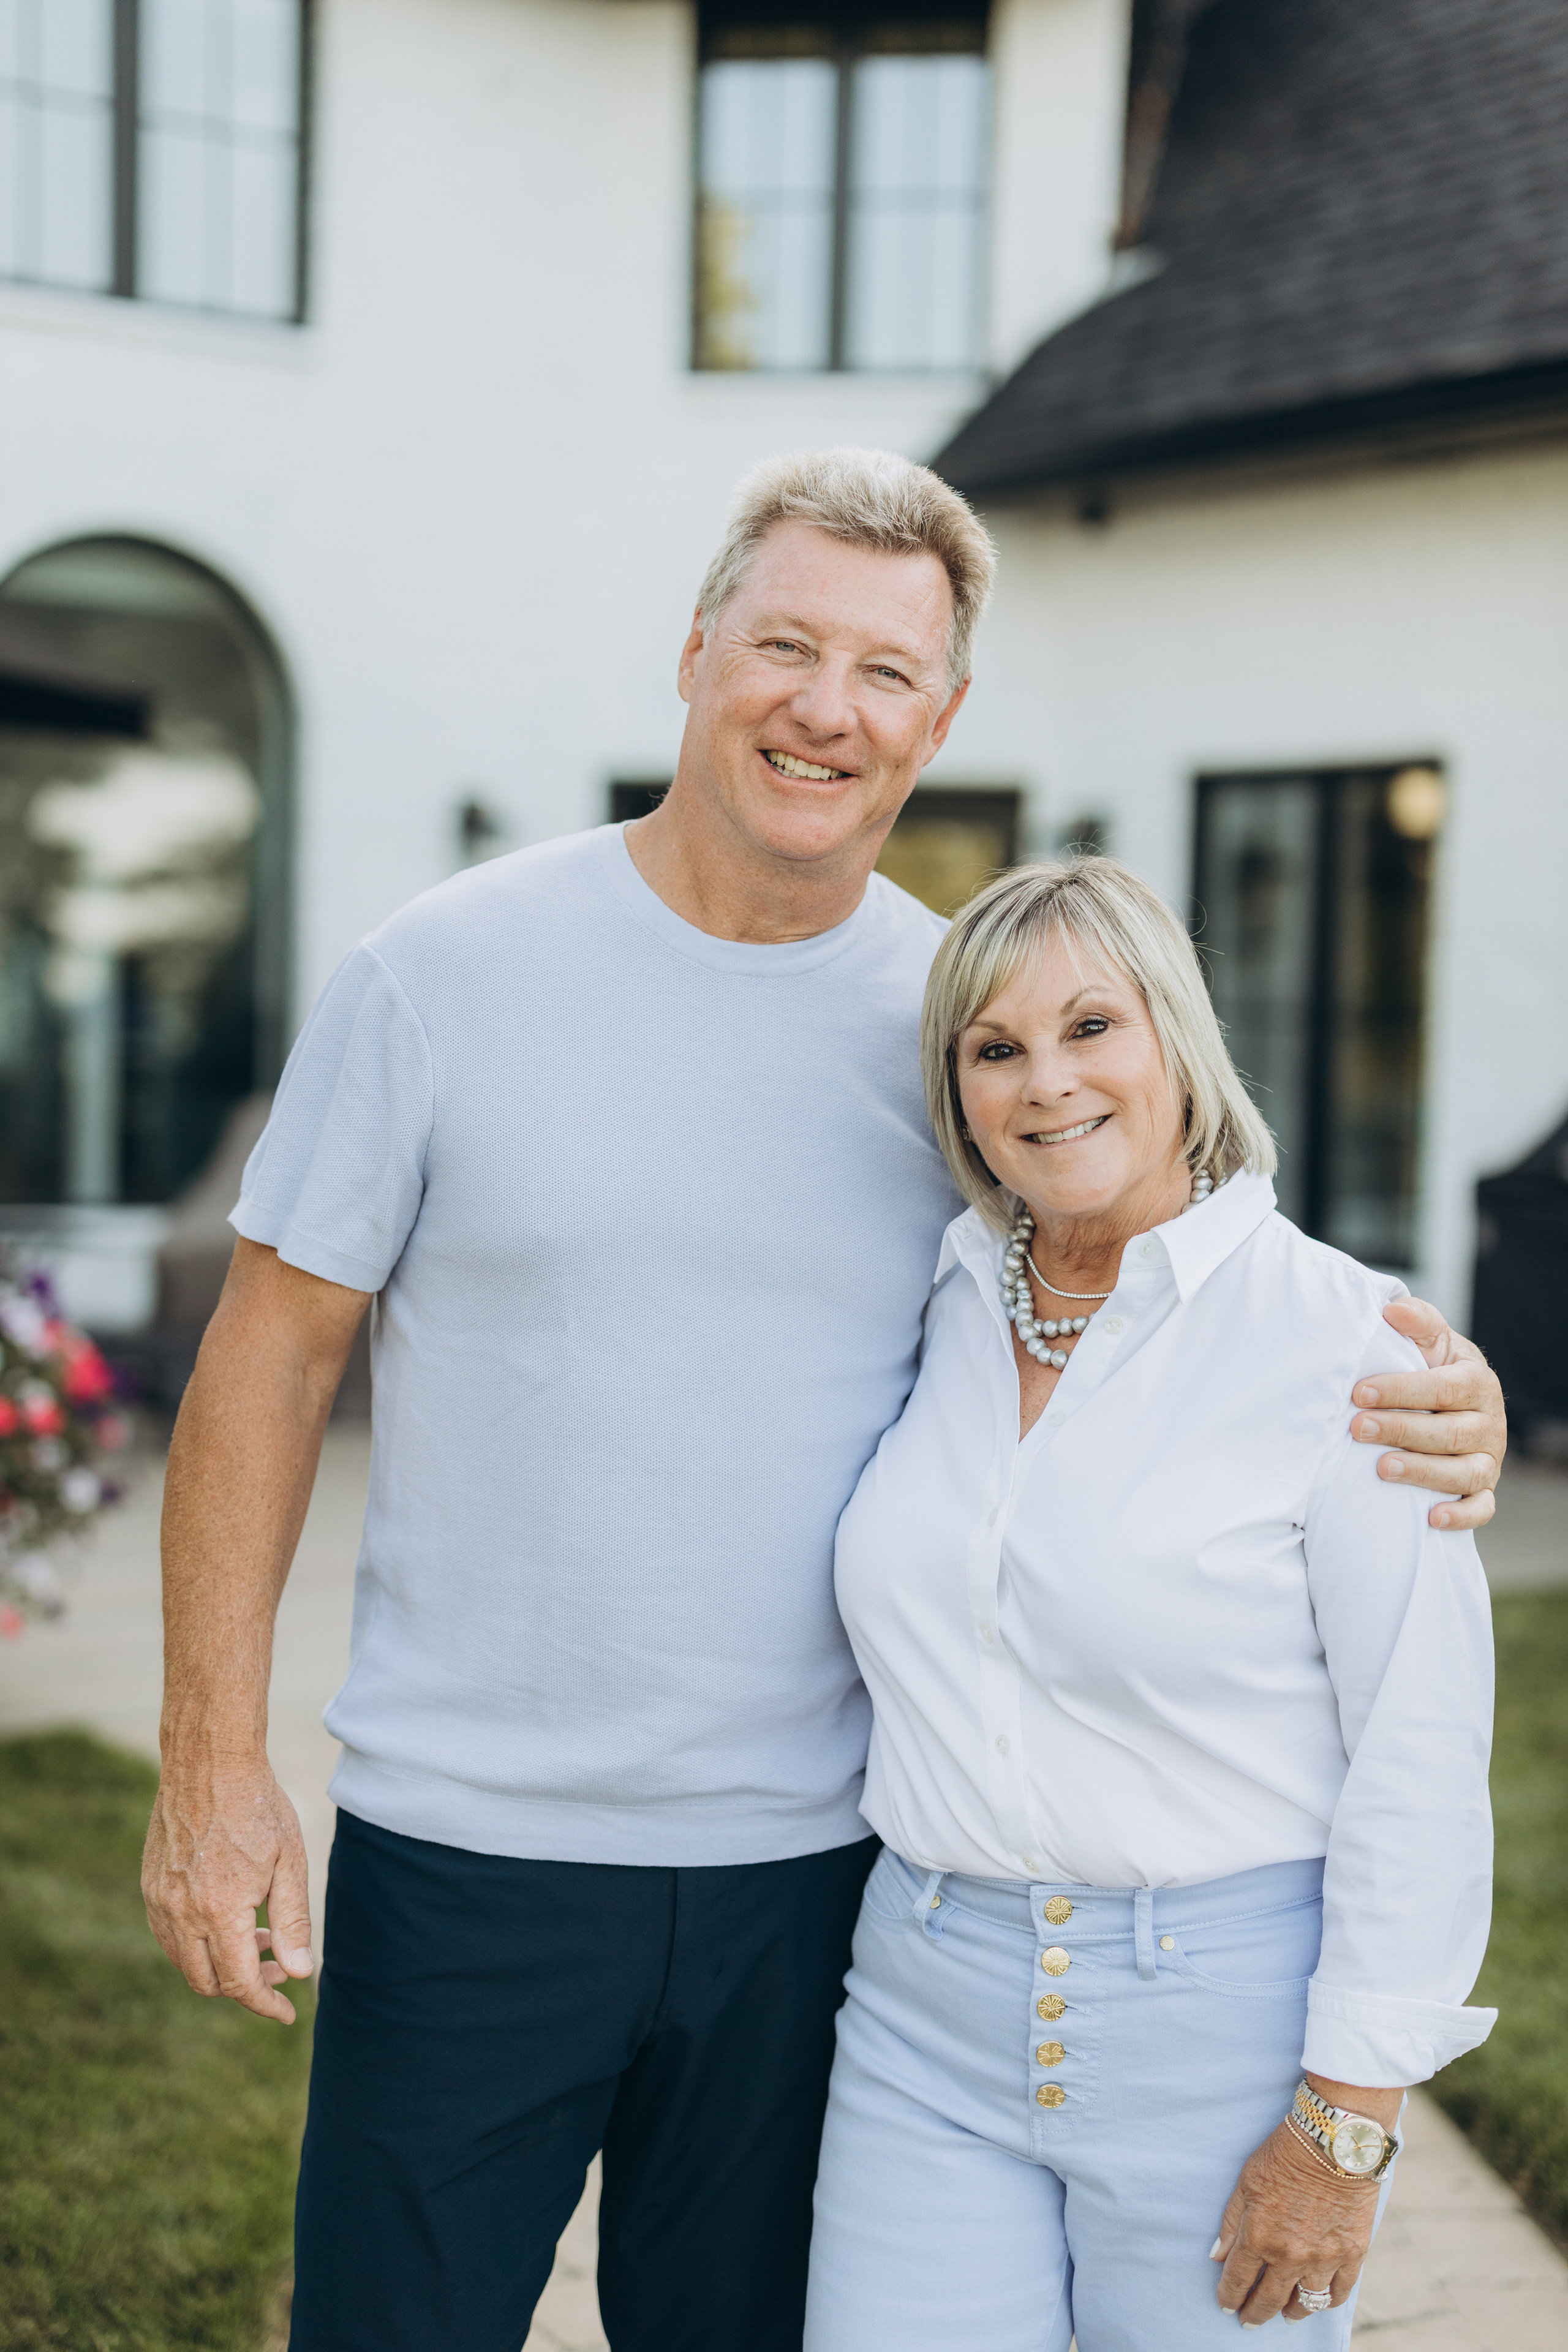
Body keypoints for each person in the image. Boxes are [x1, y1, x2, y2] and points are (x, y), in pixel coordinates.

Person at [140, 450, 1505, 2352]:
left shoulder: (956, 1029)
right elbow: (266, 1358)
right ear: (696, 654)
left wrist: (1435, 1390)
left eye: (884, 673)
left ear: (938, 722)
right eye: (785, 644)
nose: (824, 707)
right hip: (474, 1861)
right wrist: (212, 1754)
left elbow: (1174, 1285)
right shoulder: (442, 974)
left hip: (823, 1887)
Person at [808, 857, 1497, 2351]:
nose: (1044, 1084)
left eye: (1090, 1027)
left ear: (1177, 1039)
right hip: (920, 2016)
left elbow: (1419, 1757)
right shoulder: (930, 1302)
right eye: (993, 1049)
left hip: (1224, 2034)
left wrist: (1344, 2123)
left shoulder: (1345, 1344)